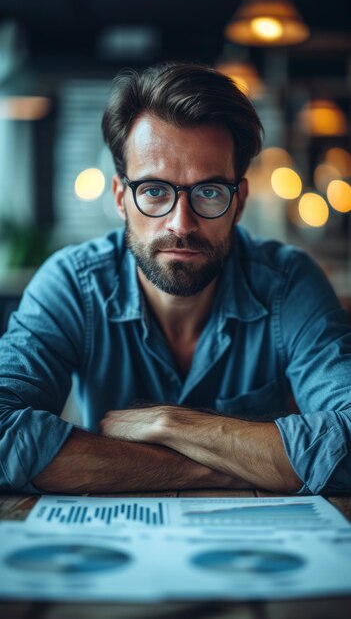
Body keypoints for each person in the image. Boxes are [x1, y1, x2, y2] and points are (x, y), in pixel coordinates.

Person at [1, 62, 350, 496]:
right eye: (154, 191)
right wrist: (227, 465)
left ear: (238, 203)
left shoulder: (288, 284)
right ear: (120, 198)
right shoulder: (72, 284)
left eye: (208, 192)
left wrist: (171, 423)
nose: (180, 224)